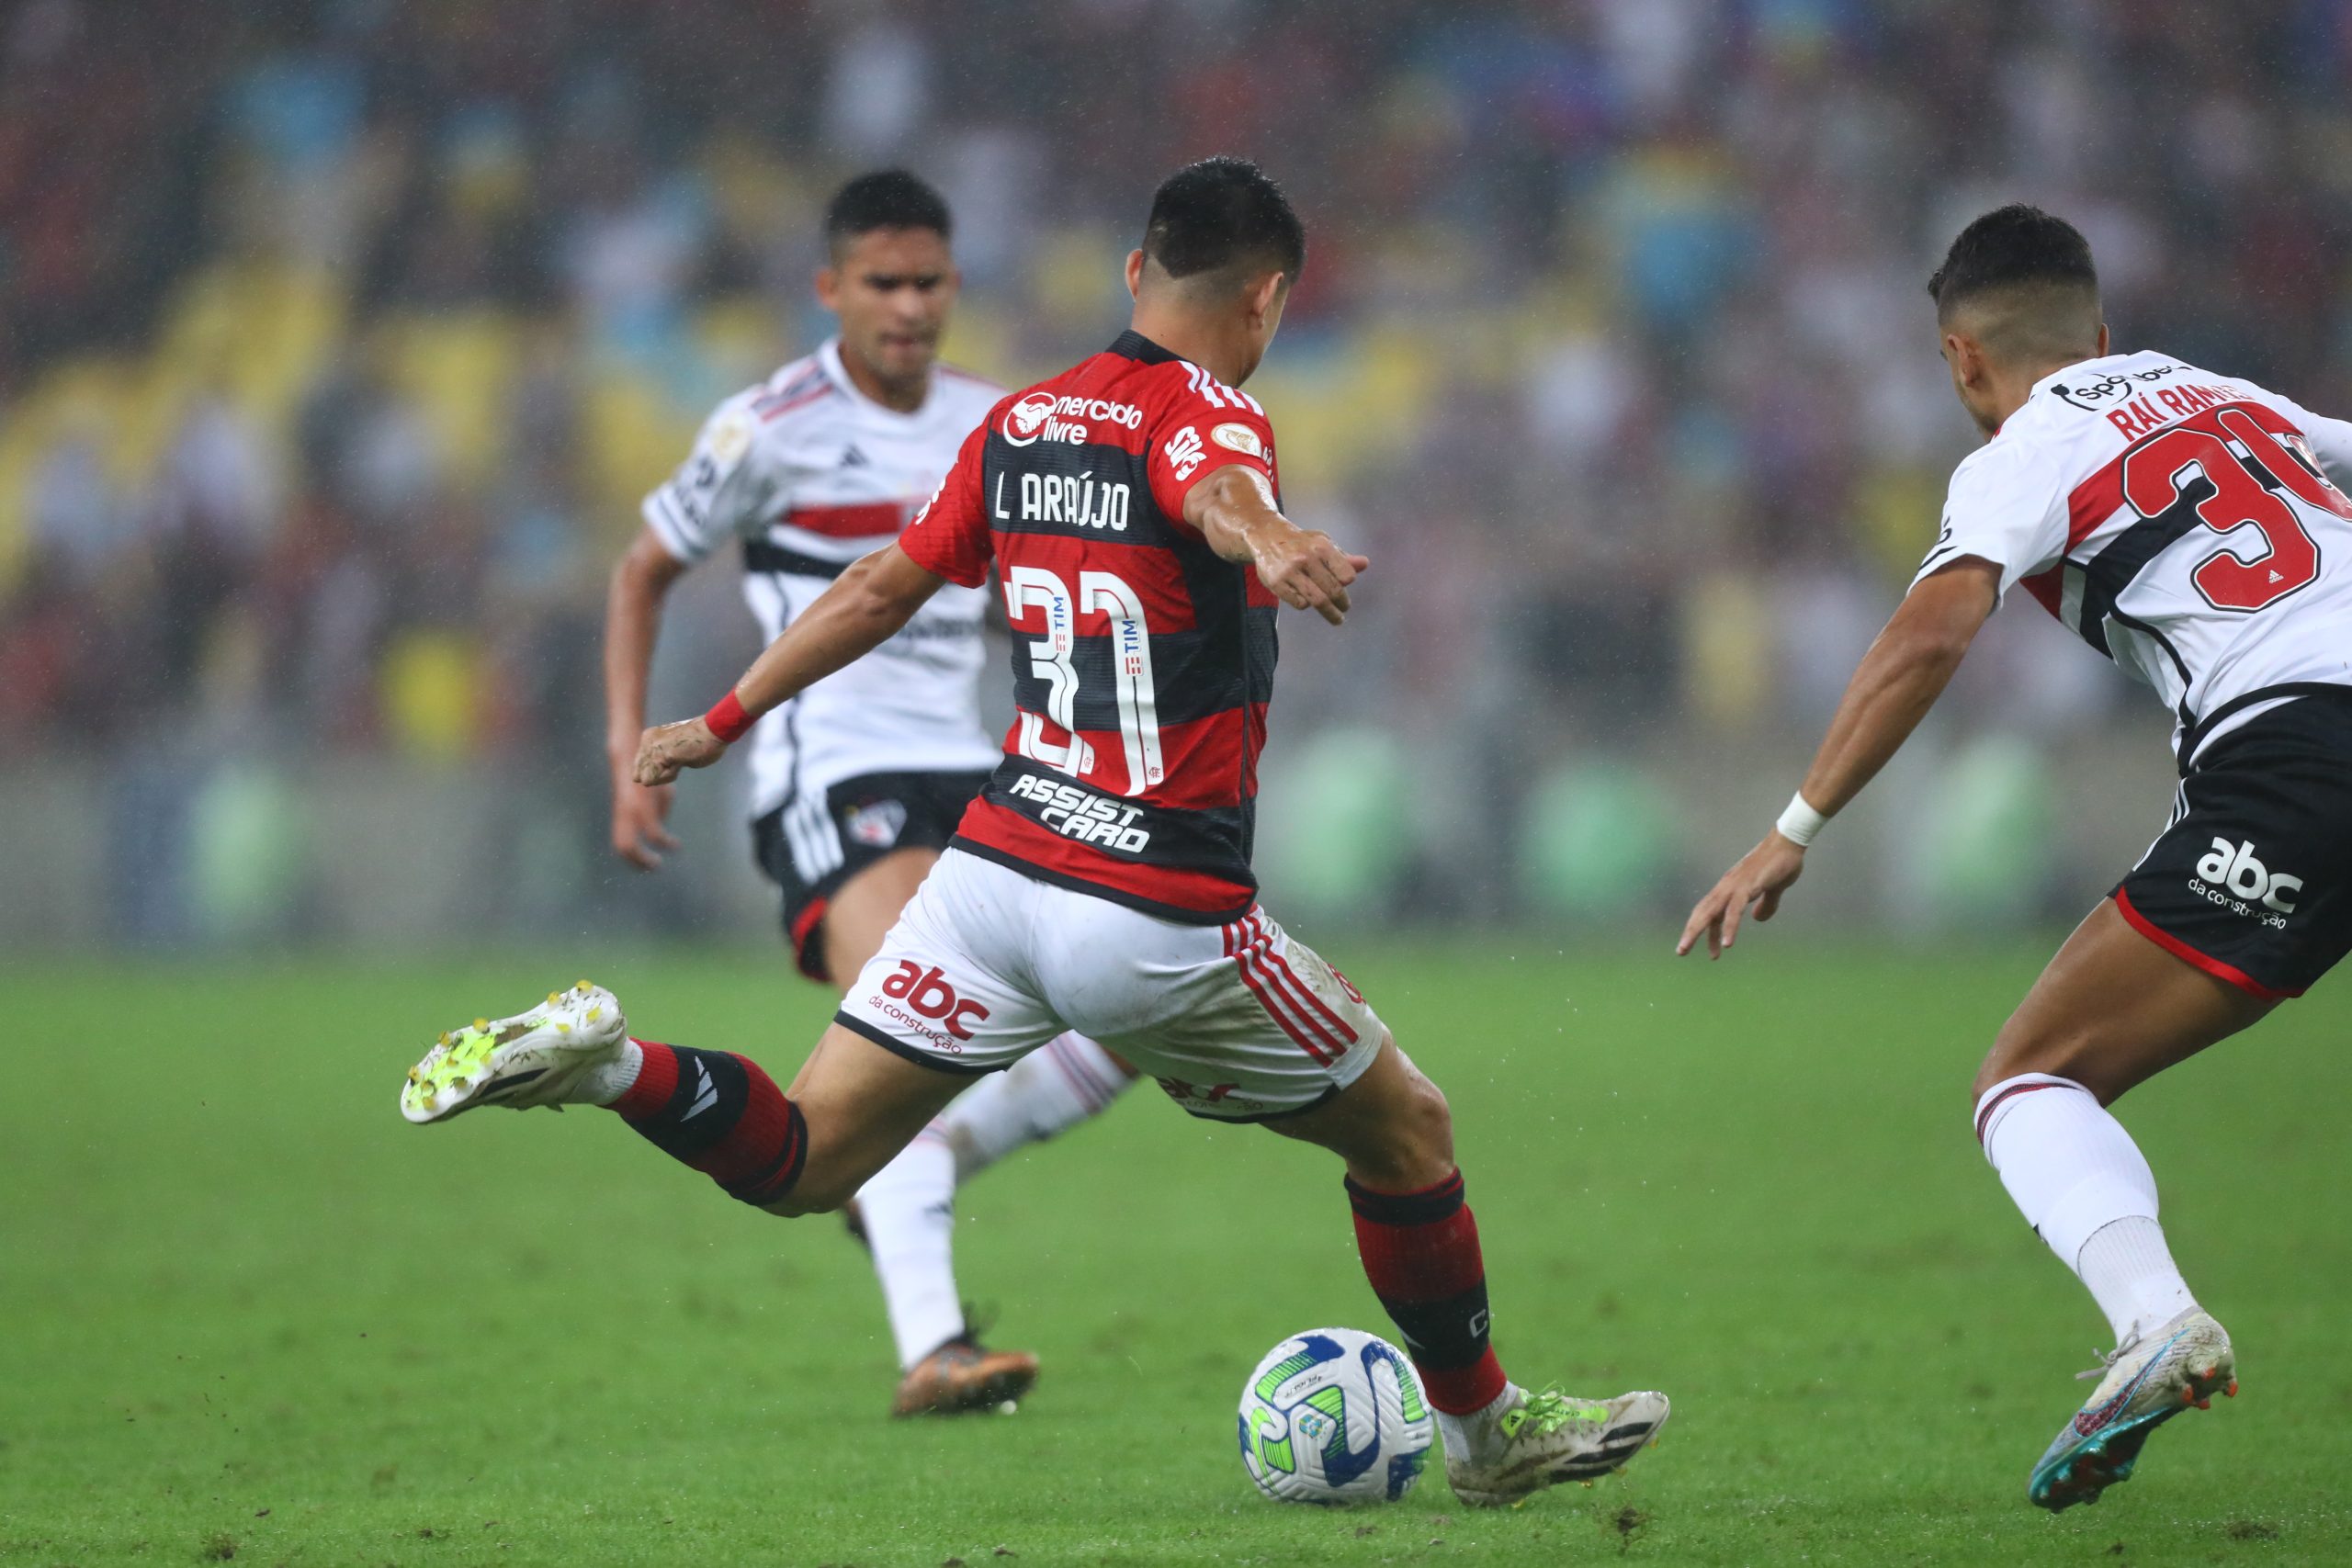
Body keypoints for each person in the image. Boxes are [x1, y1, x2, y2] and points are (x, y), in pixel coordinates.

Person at [403, 155, 1668, 1506]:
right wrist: (1275, 540)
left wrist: (719, 718)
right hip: (1154, 914)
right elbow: (1213, 484)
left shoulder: (1021, 423)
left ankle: (612, 1066)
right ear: (1269, 301)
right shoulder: (1217, 414)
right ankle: (1484, 1438)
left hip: (992, 881)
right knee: (1408, 1127)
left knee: (805, 1160)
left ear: (1135, 274)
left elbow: (883, 585)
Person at [1677, 203, 2352, 1509]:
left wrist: (1790, 830)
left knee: (2031, 1079)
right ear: (2099, 329)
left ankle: (2157, 1321)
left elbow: (1931, 635)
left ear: (1960, 363)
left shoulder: (2024, 449)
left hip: (2297, 755)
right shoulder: (2216, 392)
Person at [603, 168, 1135, 1416]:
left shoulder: (1000, 424)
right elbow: (641, 573)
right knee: (916, 1019)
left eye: (929, 282)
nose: (907, 306)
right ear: (829, 289)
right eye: (881, 283)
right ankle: (932, 1344)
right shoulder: (765, 427)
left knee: (1124, 999)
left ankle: (909, 1164)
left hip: (979, 765)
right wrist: (628, 750)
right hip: (828, 770)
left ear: (956, 286)